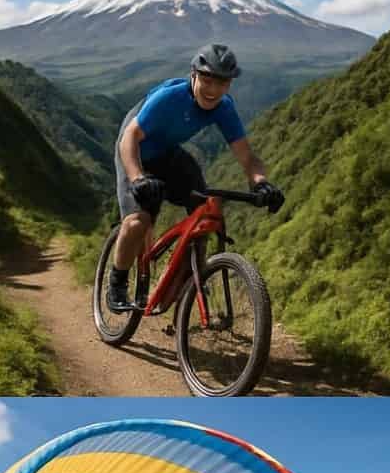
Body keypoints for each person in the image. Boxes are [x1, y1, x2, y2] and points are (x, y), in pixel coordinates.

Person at [107, 42, 284, 312]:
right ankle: (116, 284)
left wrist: (261, 182)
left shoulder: (224, 107)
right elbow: (130, 138)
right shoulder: (169, 97)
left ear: (229, 85)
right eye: (207, 79)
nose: (213, 89)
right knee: (138, 221)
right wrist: (137, 178)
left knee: (204, 212)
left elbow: (247, 157)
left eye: (222, 82)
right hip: (134, 151)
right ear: (194, 74)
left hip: (167, 153)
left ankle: (191, 278)